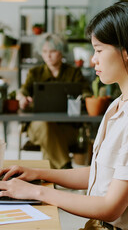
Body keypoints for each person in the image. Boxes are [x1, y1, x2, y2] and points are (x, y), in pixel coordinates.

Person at [0, 1, 128, 229]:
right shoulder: (119, 105)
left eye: (99, 50)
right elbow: (100, 174)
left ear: (127, 52)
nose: (93, 59)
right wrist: (38, 173)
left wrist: (35, 191)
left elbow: (110, 208)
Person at [17, 33, 91, 169]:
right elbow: (22, 92)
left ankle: (51, 181)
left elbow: (86, 92)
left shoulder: (74, 73)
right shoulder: (34, 72)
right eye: (44, 52)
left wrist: (84, 98)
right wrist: (23, 99)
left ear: (61, 51)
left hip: (68, 127)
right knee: (46, 126)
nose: (48, 56)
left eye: (53, 51)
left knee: (50, 140)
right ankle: (65, 168)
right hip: (38, 127)